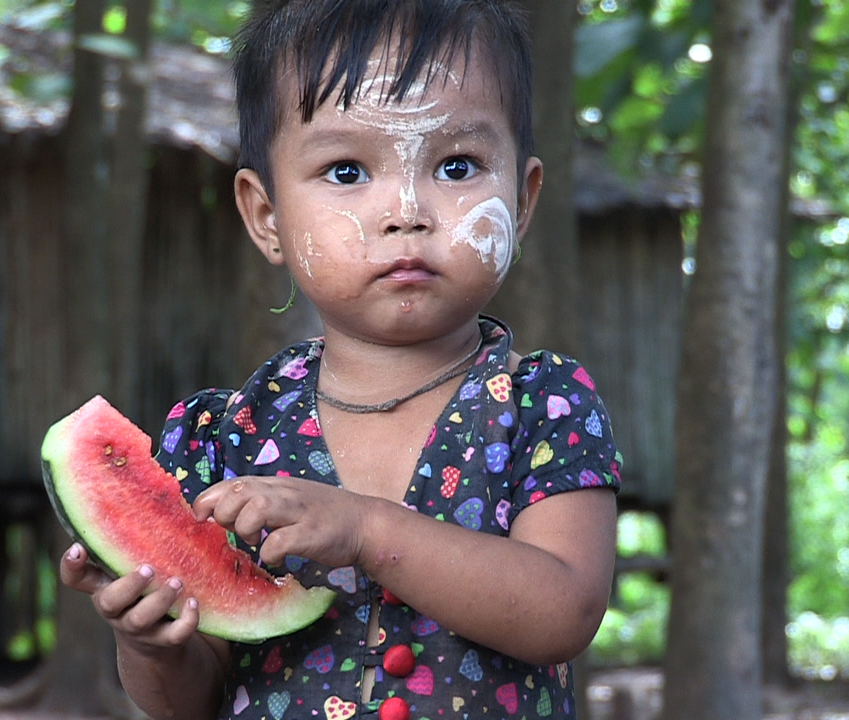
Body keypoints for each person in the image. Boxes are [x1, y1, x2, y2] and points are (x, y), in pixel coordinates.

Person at [60, 0, 622, 717]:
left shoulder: (546, 403)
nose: (407, 209)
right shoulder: (224, 439)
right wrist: (154, 646)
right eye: (348, 171)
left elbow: (563, 613)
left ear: (524, 198)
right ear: (267, 218)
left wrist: (365, 529)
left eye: (457, 165)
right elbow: (191, 704)